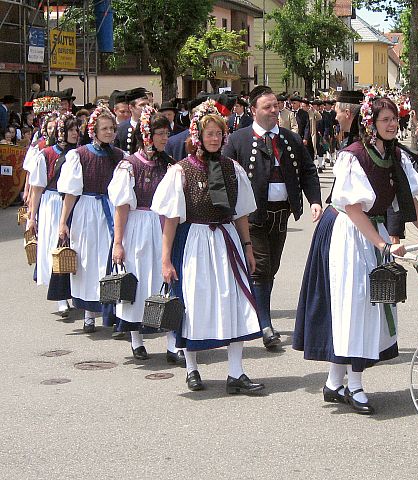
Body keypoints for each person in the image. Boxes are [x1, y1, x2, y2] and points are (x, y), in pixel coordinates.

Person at [293, 94, 418, 415]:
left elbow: (408, 197)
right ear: (370, 122)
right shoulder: (353, 156)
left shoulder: (394, 155)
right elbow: (353, 208)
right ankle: (353, 383)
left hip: (373, 232)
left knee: (368, 305)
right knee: (355, 305)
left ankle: (335, 381)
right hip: (348, 233)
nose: (391, 124)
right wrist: (382, 244)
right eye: (385, 119)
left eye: (394, 119)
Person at [151, 99, 264, 393]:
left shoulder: (233, 169)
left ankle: (236, 372)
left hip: (226, 241)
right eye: (208, 133)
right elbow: (171, 219)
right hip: (195, 243)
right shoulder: (181, 171)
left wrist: (248, 247)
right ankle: (192, 369)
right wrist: (166, 260)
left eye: (218, 133)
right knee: (194, 304)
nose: (214, 138)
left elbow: (241, 213)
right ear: (197, 137)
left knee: (235, 302)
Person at [223, 86, 322, 350]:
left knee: (272, 267)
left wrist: (314, 200)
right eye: (267, 107)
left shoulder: (289, 139)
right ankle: (265, 324)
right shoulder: (238, 140)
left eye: (276, 106)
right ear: (254, 110)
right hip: (253, 216)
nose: (274, 111)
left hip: (281, 214)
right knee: (261, 267)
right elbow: (224, 176)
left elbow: (309, 171)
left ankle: (260, 316)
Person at [108, 106, 182, 363]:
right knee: (138, 282)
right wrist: (118, 243)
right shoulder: (129, 166)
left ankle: (173, 341)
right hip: (138, 226)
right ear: (147, 136)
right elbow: (120, 207)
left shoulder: (170, 164)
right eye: (160, 133)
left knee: (167, 280)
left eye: (166, 133)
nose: (164, 138)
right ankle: (136, 337)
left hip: (163, 226)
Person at [57, 106, 125, 333]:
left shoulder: (119, 156)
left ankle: (113, 312)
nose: (109, 132)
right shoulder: (79, 155)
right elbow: (70, 193)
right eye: (104, 128)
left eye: (112, 128)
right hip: (87, 211)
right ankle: (88, 314)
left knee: (110, 261)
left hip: (110, 210)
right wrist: (63, 221)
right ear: (93, 130)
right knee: (87, 261)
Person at [27, 112, 80, 316]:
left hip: (74, 202)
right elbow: (37, 187)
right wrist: (32, 217)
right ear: (61, 132)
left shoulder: (79, 153)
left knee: (73, 248)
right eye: (72, 130)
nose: (76, 133)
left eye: (77, 129)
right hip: (53, 203)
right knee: (55, 246)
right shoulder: (47, 154)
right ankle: (60, 297)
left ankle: (72, 291)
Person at [114, 88, 149, 154]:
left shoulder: (153, 126)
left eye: (148, 105)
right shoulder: (120, 129)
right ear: (131, 107)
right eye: (142, 105)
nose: (146, 108)